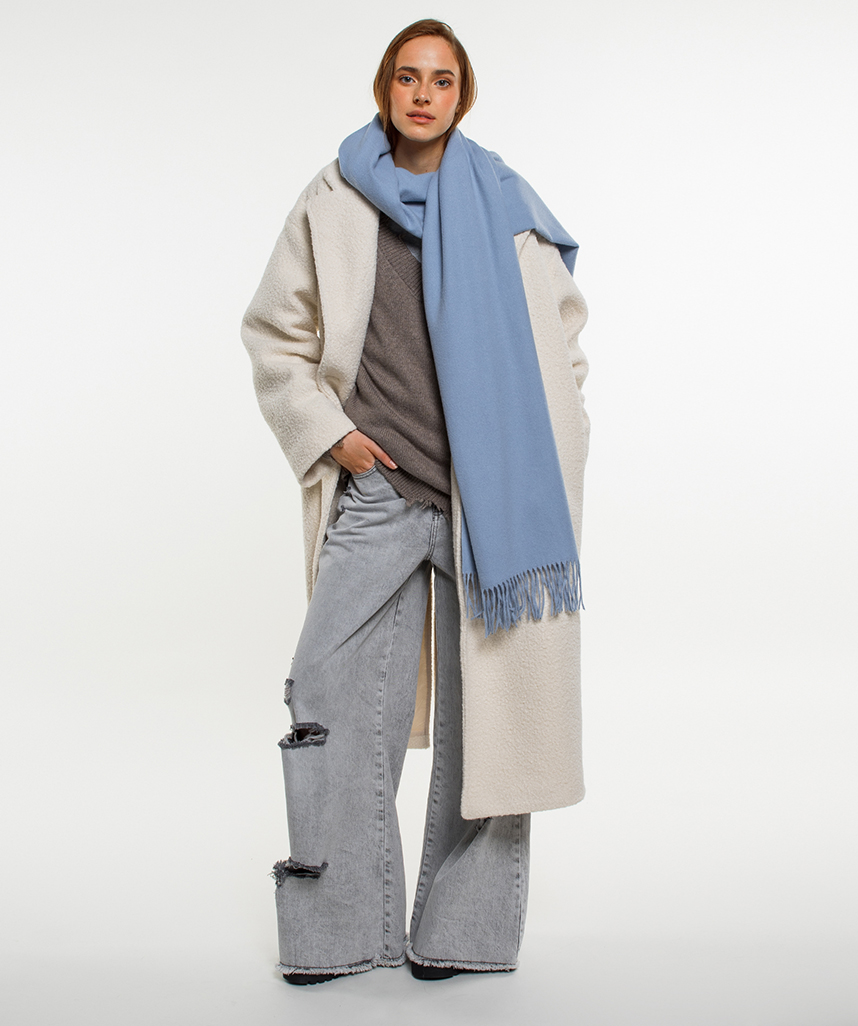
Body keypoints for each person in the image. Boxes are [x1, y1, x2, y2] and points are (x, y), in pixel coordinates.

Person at [241, 18, 590, 985]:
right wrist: (331, 436)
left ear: (461, 95)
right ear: (385, 89)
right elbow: (275, 334)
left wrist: (561, 437)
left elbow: (564, 336)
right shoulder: (335, 198)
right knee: (326, 691)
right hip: (380, 488)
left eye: (441, 80)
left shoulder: (505, 203)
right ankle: (338, 932)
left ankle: (463, 934)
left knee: (494, 723)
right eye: (408, 77)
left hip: (492, 506)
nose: (424, 95)